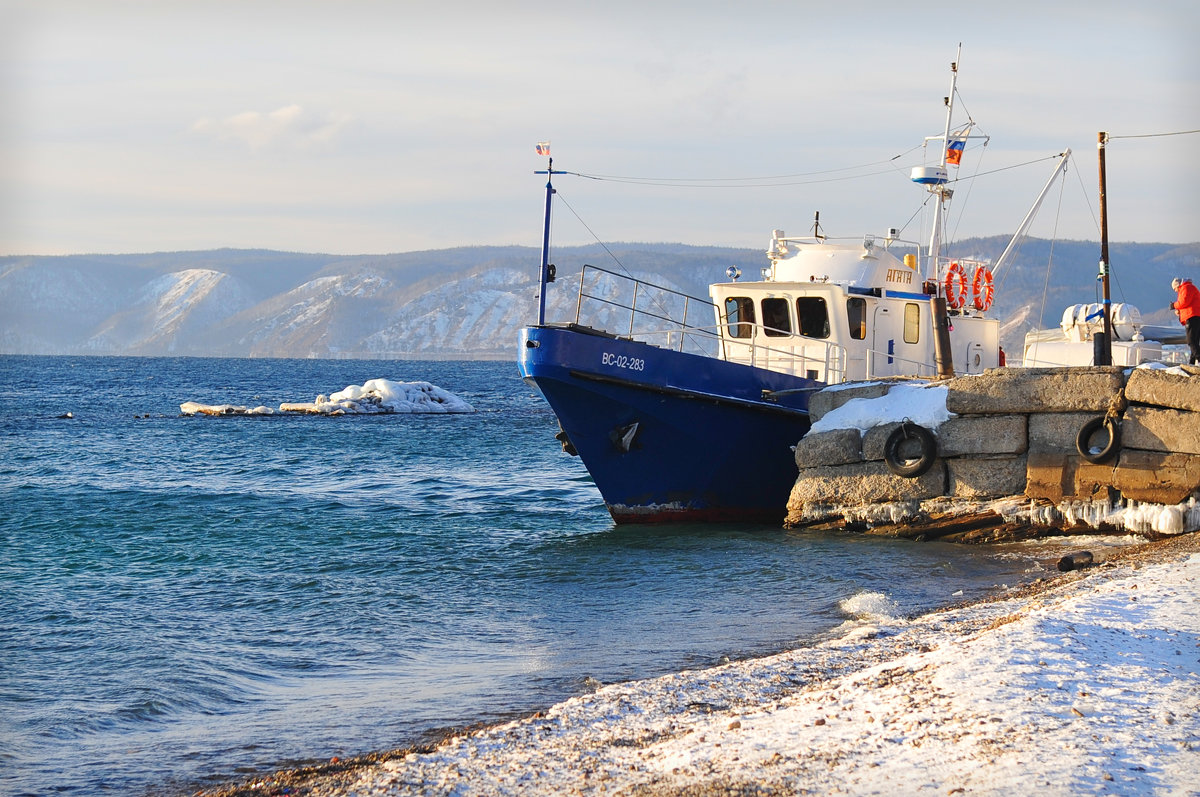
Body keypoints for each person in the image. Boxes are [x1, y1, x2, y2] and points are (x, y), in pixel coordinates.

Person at [1171, 277, 1200, 364]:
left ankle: (1198, 358)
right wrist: (1179, 311)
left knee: (1191, 340)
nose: (1175, 291)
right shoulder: (1188, 288)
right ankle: (1192, 362)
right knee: (1195, 340)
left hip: (1192, 316)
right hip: (1195, 315)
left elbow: (1184, 302)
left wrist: (1174, 305)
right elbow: (1188, 303)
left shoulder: (1186, 287)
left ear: (1177, 286)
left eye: (1175, 289)